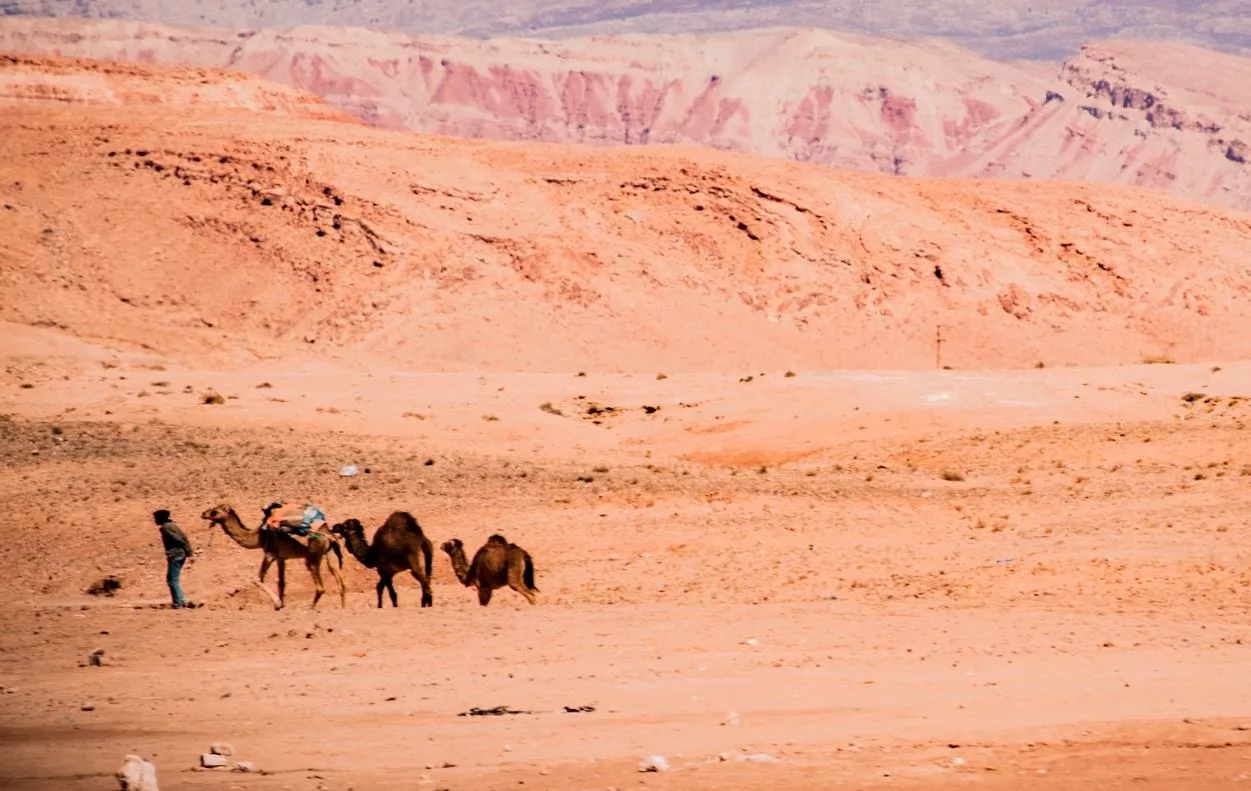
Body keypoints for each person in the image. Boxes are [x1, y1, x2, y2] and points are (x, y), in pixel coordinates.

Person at [154, 509, 193, 609]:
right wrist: (188, 551)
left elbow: (179, 539)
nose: (154, 520)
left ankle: (178, 603)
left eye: (156, 518)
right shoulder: (173, 525)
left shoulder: (166, 527)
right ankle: (181, 601)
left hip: (175, 554)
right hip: (181, 554)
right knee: (173, 579)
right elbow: (183, 537)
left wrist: (185, 549)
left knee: (172, 580)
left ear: (160, 518)